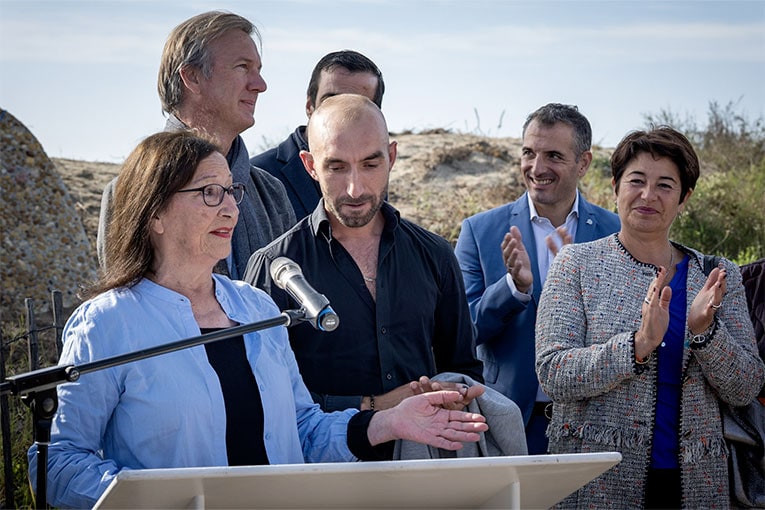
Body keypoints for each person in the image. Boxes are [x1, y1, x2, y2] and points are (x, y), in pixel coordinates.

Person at [28, 130, 489, 509]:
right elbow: (57, 463)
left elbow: (303, 430)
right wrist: (154, 500)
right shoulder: (110, 323)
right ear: (156, 214)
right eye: (209, 193)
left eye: (232, 191)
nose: (230, 207)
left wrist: (387, 422)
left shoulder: (256, 309)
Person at [535, 126, 765, 508]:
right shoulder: (576, 264)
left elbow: (746, 386)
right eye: (636, 180)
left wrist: (705, 332)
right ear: (615, 187)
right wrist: (637, 346)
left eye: (665, 185)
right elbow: (553, 372)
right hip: (596, 480)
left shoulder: (716, 274)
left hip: (697, 482)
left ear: (684, 198)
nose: (647, 195)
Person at [244, 94, 484, 417]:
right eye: (337, 167)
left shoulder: (435, 255)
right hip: (320, 466)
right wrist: (376, 407)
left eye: (370, 164)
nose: (355, 189)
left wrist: (453, 394)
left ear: (392, 157)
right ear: (310, 166)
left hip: (423, 461)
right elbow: (259, 394)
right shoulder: (274, 267)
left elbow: (464, 371)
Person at [454, 103, 620, 454]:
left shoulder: (615, 232)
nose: (537, 167)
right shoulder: (479, 230)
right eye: (529, 153)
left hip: (595, 421)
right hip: (508, 419)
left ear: (584, 163)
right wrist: (515, 288)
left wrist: (576, 289)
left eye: (554, 156)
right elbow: (461, 332)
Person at [97, 11, 296, 278]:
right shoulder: (132, 191)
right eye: (242, 67)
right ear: (192, 77)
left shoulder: (271, 194)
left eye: (258, 70)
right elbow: (126, 309)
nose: (260, 85)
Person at [251, 50, 384, 219]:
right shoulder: (257, 177)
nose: (341, 112)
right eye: (330, 100)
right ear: (309, 106)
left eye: (356, 103)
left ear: (376, 114)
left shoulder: (377, 167)